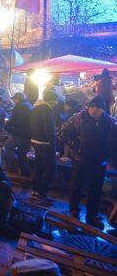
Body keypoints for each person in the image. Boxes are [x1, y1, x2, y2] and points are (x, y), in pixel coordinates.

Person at [59, 96, 117, 229]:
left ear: (103, 109)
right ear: (89, 106)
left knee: (95, 191)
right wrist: (76, 146)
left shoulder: (110, 122)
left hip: (99, 162)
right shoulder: (78, 118)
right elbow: (62, 133)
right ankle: (73, 213)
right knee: (76, 188)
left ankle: (92, 216)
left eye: (98, 107)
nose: (94, 110)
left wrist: (109, 154)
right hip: (80, 160)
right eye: (92, 106)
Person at [30, 90, 58, 203]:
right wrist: (52, 142)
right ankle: (42, 193)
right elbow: (48, 128)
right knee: (50, 170)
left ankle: (35, 191)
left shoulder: (36, 107)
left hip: (35, 141)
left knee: (38, 168)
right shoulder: (47, 108)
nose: (56, 103)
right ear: (52, 100)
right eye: (56, 100)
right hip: (46, 143)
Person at [4, 92, 33, 176]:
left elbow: (14, 120)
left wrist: (7, 123)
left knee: (8, 146)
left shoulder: (19, 106)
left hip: (19, 133)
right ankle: (25, 173)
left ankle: (13, 168)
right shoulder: (29, 105)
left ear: (18, 99)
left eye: (15, 99)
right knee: (22, 154)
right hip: (28, 134)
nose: (14, 101)